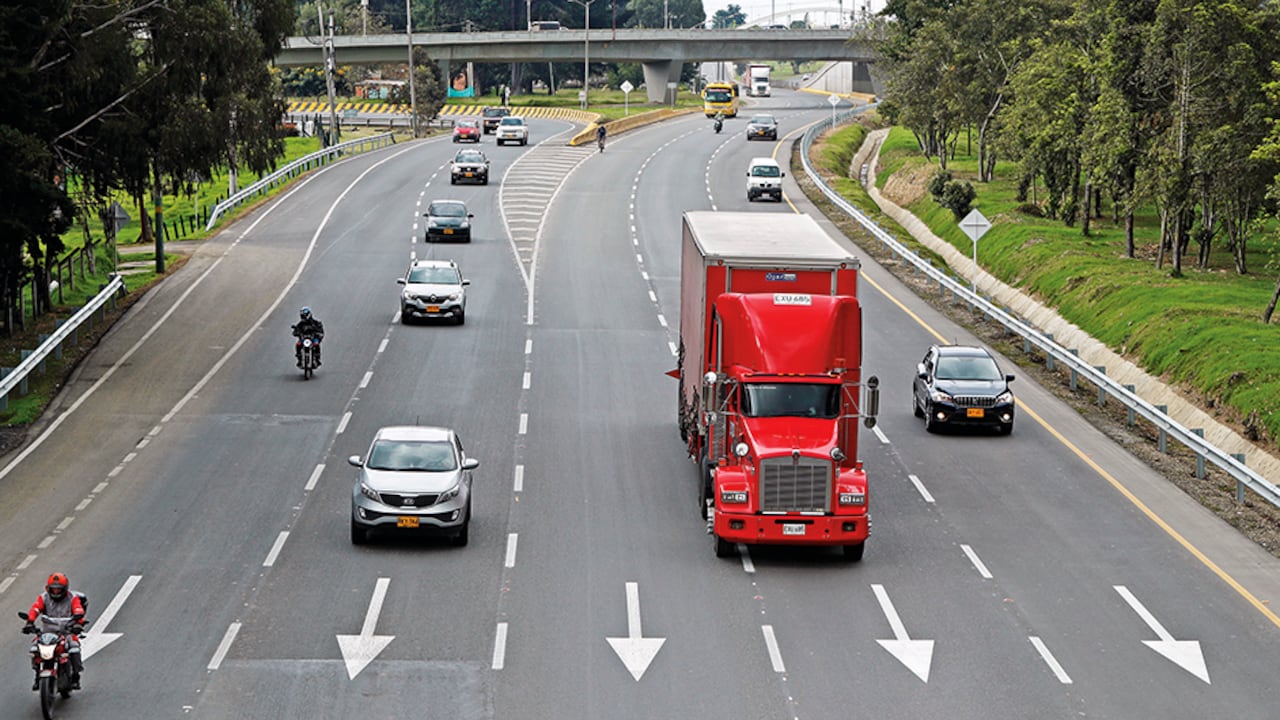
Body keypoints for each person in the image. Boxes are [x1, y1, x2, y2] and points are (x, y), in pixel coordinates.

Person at [25, 573, 85, 690]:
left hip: (66, 632)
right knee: (34, 648)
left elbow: (78, 610)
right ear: (48, 588)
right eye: (54, 589)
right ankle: (37, 674)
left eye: (59, 589)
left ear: (65, 589)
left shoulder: (73, 598)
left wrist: (78, 624)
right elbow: (35, 608)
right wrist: (29, 622)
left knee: (74, 647)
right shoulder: (43, 598)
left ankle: (75, 675)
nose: (56, 591)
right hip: (47, 633)